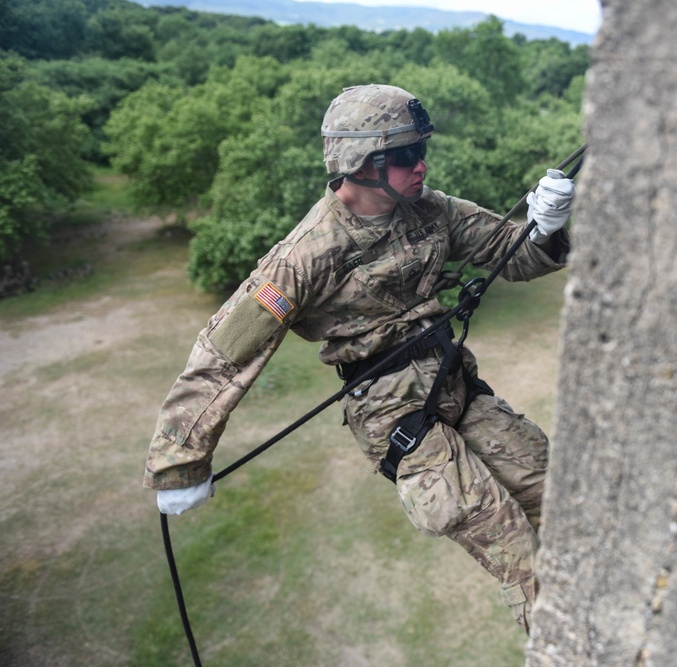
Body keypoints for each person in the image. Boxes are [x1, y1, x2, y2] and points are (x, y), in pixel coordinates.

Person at [144, 83, 575, 632]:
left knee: (563, 504)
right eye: (403, 156)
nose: (420, 166)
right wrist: (178, 463)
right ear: (360, 163)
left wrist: (547, 228)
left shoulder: (431, 210)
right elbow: (223, 356)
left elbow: (510, 257)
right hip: (396, 417)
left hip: (453, 386)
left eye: (421, 151)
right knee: (523, 558)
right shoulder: (305, 256)